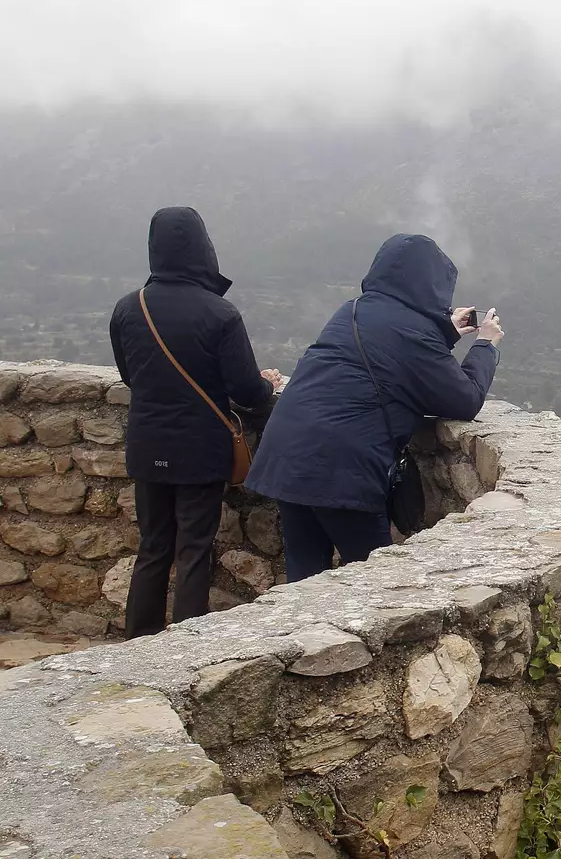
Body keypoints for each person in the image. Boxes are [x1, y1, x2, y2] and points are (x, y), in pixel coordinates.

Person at [245, 234, 503, 582]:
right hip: (340, 467)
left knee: (303, 581)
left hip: (287, 453)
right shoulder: (415, 334)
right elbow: (465, 398)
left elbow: (389, 350)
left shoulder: (351, 310)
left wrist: (444, 332)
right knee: (376, 583)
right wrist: (485, 344)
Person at [109, 207, 282, 639]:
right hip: (199, 451)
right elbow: (246, 390)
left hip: (148, 446)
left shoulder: (129, 308)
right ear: (203, 249)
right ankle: (184, 650)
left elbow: (130, 376)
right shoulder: (220, 313)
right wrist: (268, 386)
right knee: (193, 550)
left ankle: (138, 641)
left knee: (153, 547)